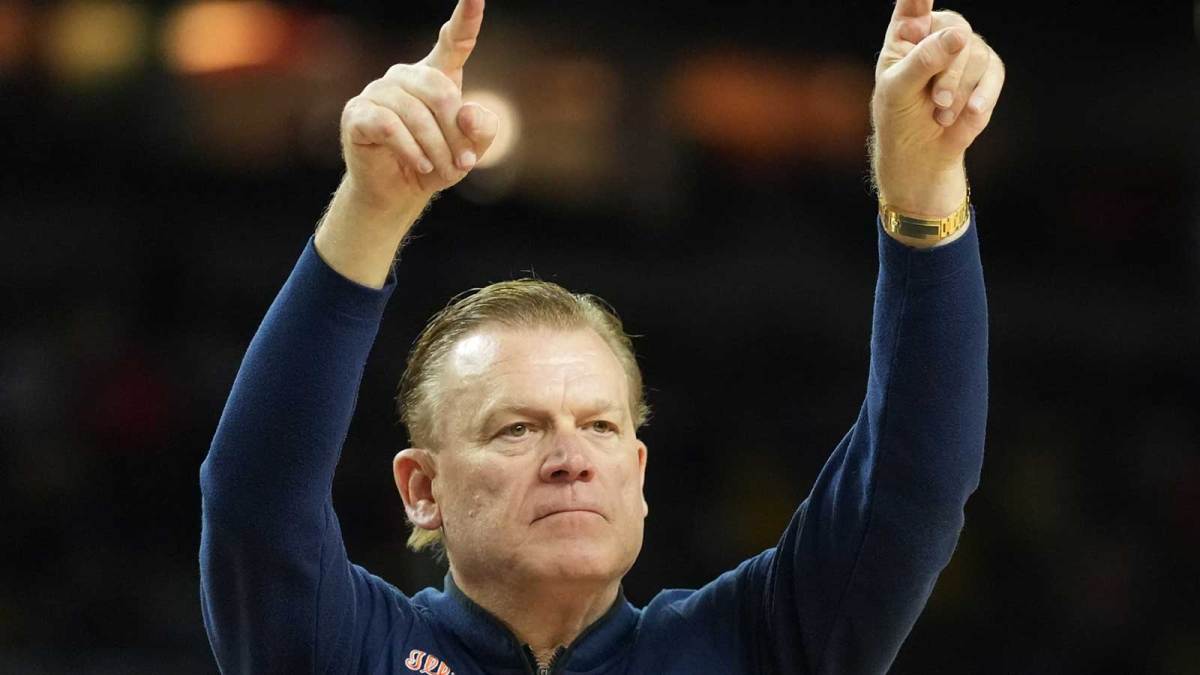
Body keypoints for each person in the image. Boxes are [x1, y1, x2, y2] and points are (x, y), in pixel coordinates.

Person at [199, 0, 1003, 672]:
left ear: (639, 471)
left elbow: (911, 486)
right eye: (516, 428)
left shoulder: (752, 644)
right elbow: (255, 498)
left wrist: (924, 184)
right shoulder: (344, 647)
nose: (571, 456)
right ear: (422, 489)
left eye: (600, 425)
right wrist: (371, 211)